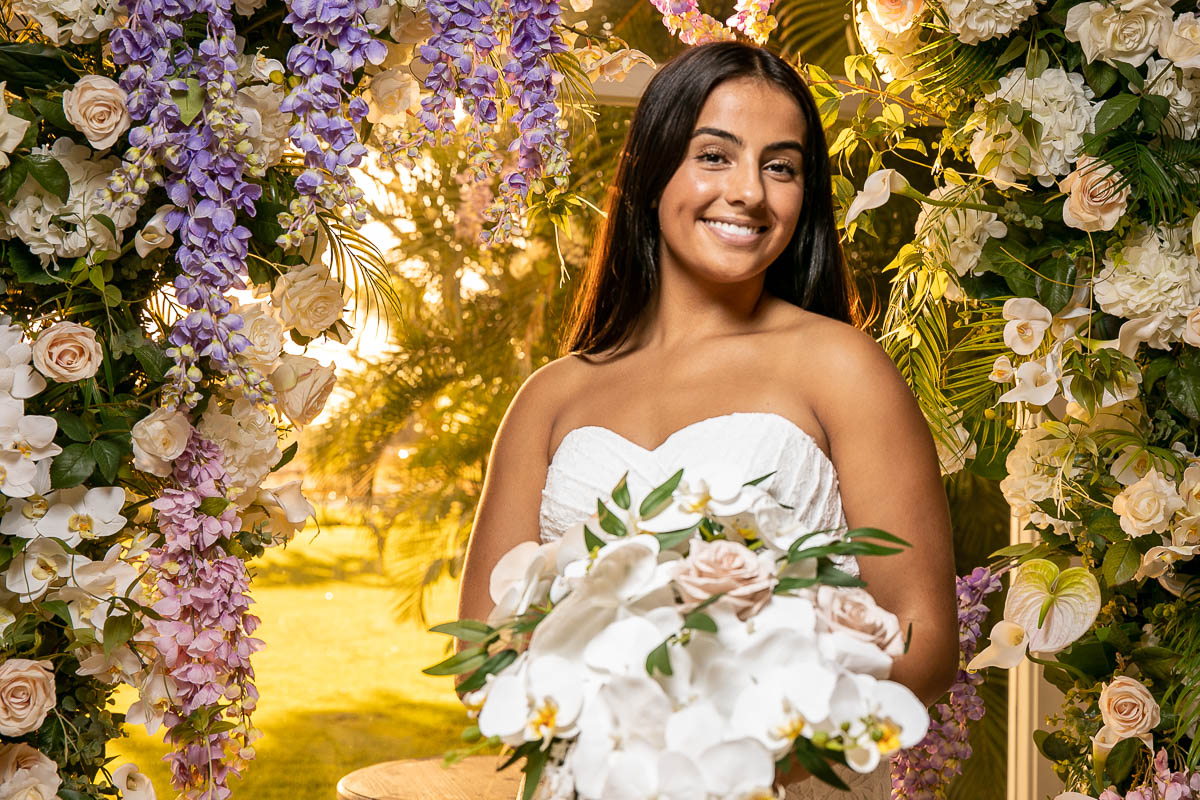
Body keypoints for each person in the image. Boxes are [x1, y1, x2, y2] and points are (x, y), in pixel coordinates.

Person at [459, 41, 958, 798]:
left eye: (781, 167)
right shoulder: (550, 398)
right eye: (715, 156)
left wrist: (729, 773)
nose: (750, 193)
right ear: (652, 170)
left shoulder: (843, 368)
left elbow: (923, 638)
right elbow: (480, 661)